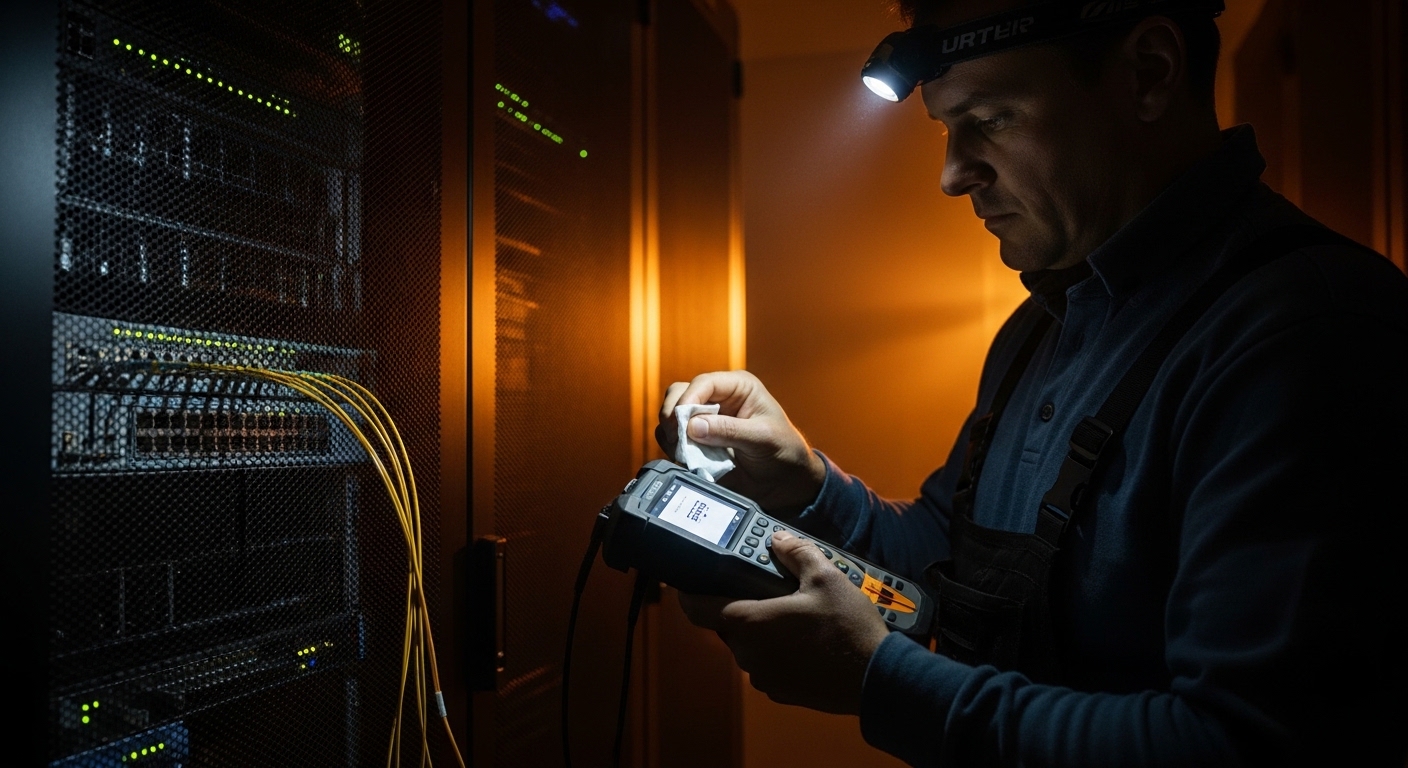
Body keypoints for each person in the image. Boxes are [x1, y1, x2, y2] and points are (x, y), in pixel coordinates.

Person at [654, 0, 1408, 765]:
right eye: (948, 129)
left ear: (1148, 73)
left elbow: (1238, 744)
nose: (953, 174)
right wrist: (806, 485)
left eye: (990, 118)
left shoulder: (1307, 333)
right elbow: (946, 557)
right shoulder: (1039, 324)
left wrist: (881, 680)